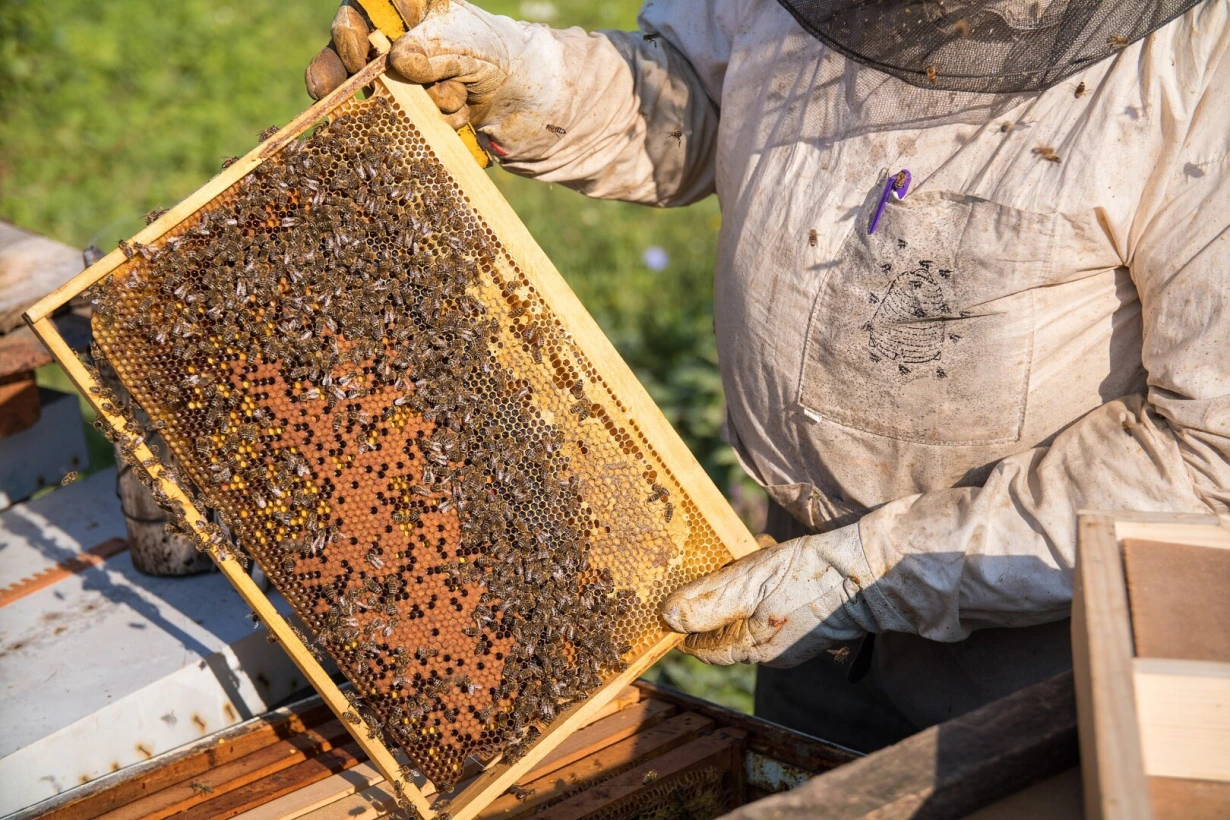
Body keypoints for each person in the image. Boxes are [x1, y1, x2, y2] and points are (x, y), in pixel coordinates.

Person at [306, 0, 1229, 752]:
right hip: (798, 604)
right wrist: (529, 80)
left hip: (1052, 662)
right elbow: (700, 105)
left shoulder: (1200, 69)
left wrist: (872, 571)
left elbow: (1205, 456)